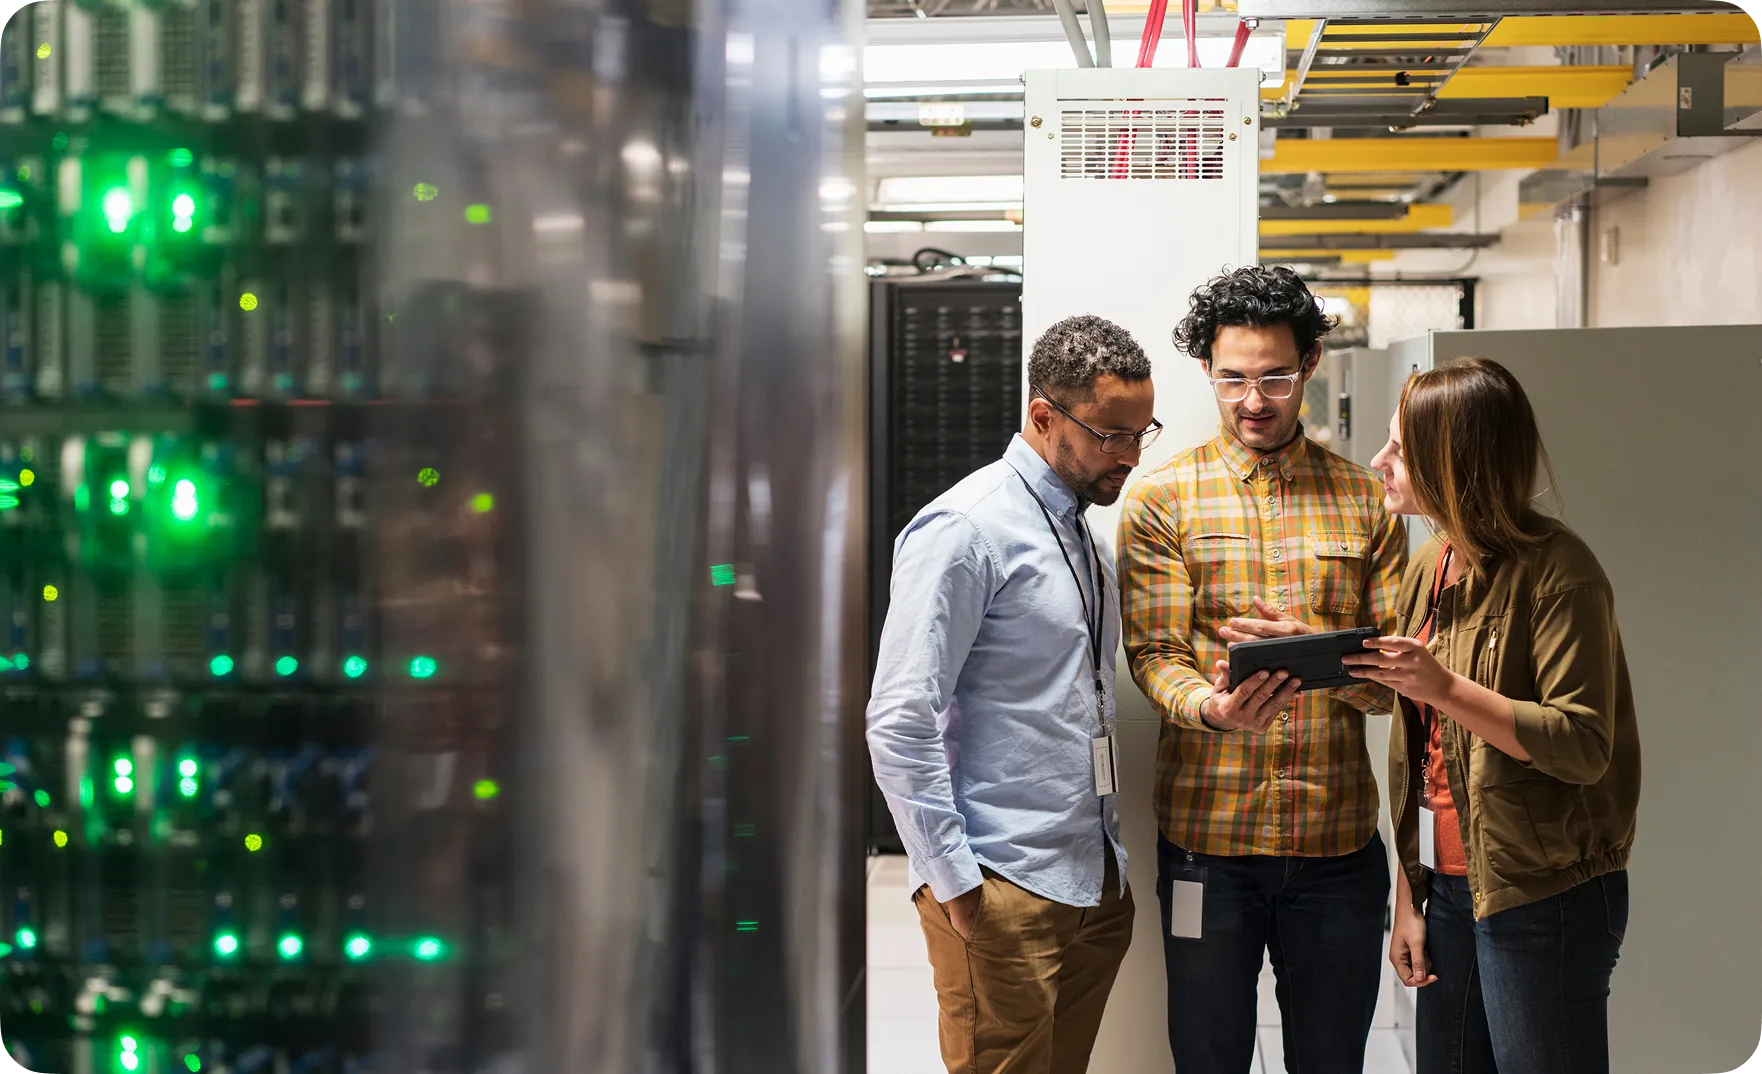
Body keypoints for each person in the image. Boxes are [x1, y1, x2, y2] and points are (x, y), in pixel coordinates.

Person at [1117, 265, 1407, 1074]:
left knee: (1331, 1061)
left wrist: (1323, 651)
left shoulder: (1367, 500)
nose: (1254, 400)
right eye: (1232, 378)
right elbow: (1153, 655)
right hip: (1206, 845)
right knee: (1207, 1059)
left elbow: (1395, 679)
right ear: (1207, 372)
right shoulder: (1161, 501)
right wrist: (1211, 708)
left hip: (1337, 847)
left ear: (1311, 363)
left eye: (1275, 377)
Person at [866, 314, 1162, 1074]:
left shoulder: (1075, 528)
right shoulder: (966, 529)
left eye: (1140, 432)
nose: (1128, 456)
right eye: (1111, 435)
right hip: (1003, 885)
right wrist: (956, 884)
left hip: (1091, 878)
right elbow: (900, 720)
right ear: (1043, 417)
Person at [1345, 357, 1640, 1074]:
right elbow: (1425, 754)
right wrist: (1408, 895)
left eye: (1400, 449)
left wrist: (1444, 687)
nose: (1379, 462)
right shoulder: (1433, 564)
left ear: (1455, 462)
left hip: (1543, 895)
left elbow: (1581, 744)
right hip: (1446, 887)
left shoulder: (1561, 573)